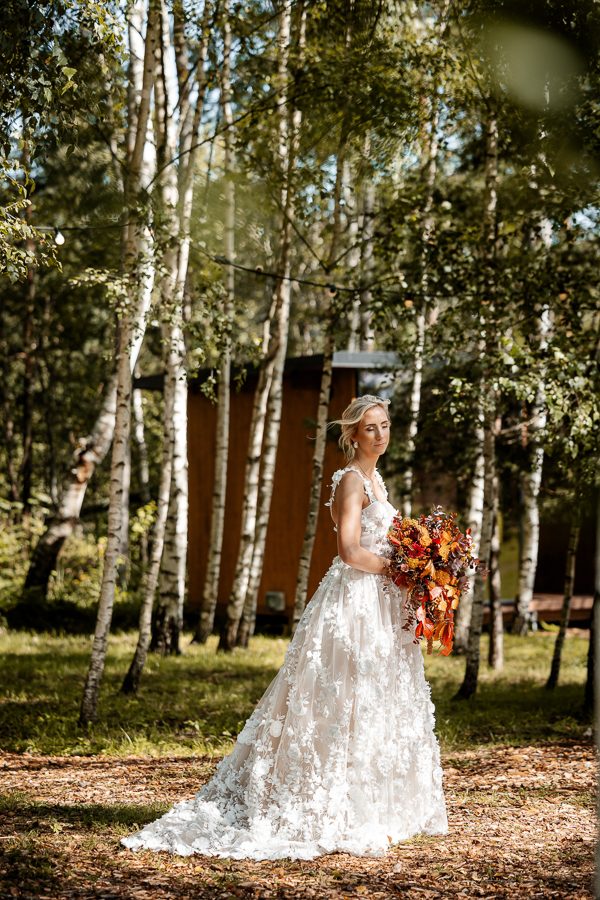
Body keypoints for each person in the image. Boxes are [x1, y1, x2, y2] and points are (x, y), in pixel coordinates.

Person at [122, 395, 448, 860]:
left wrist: (414, 567)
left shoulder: (377, 480)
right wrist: (402, 570)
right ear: (353, 435)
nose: (380, 435)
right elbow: (349, 551)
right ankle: (319, 799)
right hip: (355, 600)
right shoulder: (352, 481)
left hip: (380, 601)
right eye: (370, 428)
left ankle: (374, 799)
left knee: (374, 694)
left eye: (385, 425)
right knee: (343, 693)